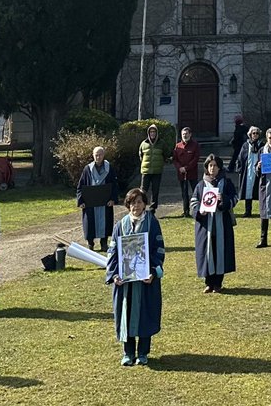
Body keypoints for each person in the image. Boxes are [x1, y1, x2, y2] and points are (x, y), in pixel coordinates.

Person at [106, 188, 164, 367]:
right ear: (127, 205)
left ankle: (143, 353)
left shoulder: (152, 223)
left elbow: (159, 250)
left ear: (144, 204)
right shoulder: (120, 225)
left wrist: (153, 272)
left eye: (139, 202)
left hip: (145, 281)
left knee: (145, 315)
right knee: (125, 315)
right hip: (125, 283)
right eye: (132, 203)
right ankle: (128, 353)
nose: (135, 206)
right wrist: (114, 274)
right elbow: (112, 252)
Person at [191, 154, 238, 293]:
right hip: (206, 226)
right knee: (206, 252)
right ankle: (208, 283)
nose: (212, 168)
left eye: (215, 165)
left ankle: (218, 283)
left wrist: (223, 199)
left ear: (219, 167)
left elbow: (235, 198)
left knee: (220, 252)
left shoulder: (227, 183)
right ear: (206, 167)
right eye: (210, 165)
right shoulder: (201, 185)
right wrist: (200, 211)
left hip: (222, 224)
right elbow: (194, 202)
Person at [77, 146, 117, 251]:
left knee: (106, 222)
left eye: (100, 155)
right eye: (96, 155)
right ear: (93, 155)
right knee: (90, 223)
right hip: (91, 201)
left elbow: (114, 185)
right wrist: (81, 201)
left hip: (105, 202)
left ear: (103, 155)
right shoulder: (87, 169)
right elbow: (81, 186)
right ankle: (91, 244)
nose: (98, 157)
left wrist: (112, 199)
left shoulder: (109, 168)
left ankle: (104, 243)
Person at [234, 124, 264, 216]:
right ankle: (248, 211)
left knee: (260, 191)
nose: (255, 135)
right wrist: (239, 169)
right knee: (248, 191)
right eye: (253, 133)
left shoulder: (262, 145)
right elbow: (240, 158)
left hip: (259, 171)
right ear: (250, 134)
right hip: (248, 172)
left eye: (257, 133)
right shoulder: (246, 145)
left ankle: (262, 210)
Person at [138, 124, 168, 213]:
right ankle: (141, 207)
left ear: (157, 133)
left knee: (155, 190)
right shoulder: (143, 144)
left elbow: (165, 154)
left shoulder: (162, 143)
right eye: (151, 131)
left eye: (154, 131)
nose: (152, 133)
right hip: (146, 171)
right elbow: (140, 155)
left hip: (157, 171)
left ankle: (152, 208)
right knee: (143, 190)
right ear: (148, 133)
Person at [173, 127, 200, 217]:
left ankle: (198, 210)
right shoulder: (178, 146)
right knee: (184, 193)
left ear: (190, 134)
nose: (185, 135)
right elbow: (175, 159)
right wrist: (180, 168)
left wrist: (186, 168)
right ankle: (186, 211)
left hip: (192, 173)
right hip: (181, 174)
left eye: (186, 133)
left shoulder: (195, 145)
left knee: (196, 192)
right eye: (183, 134)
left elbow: (196, 159)